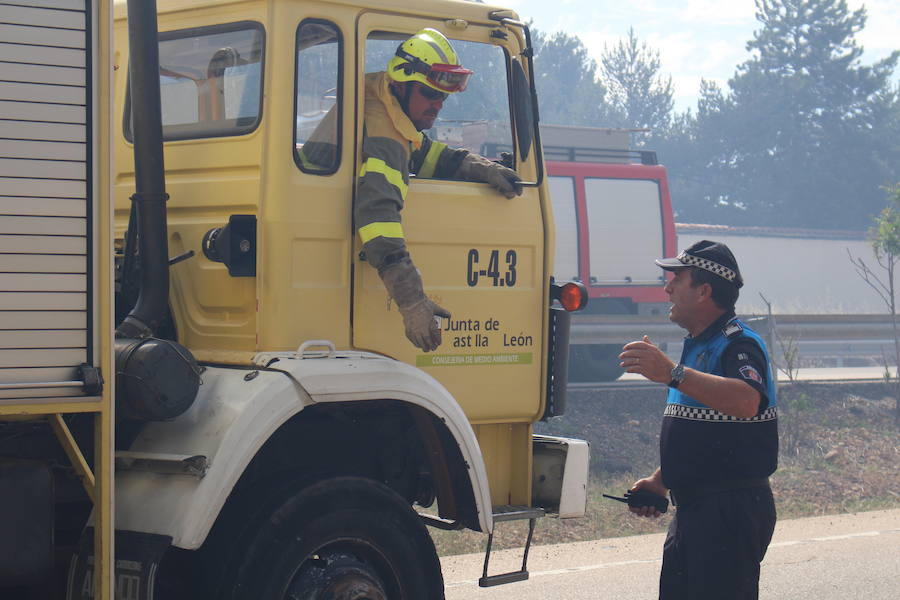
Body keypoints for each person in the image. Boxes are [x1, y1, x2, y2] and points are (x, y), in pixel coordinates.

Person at [305, 28, 523, 352]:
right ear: (402, 84)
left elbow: (425, 154)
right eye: (430, 94)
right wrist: (412, 303)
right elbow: (377, 216)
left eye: (443, 97)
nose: (438, 105)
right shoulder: (385, 133)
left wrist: (482, 168)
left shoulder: (381, 103)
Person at [618, 240, 778, 600]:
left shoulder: (738, 344)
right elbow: (701, 432)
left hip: (729, 510)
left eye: (677, 279)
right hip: (695, 510)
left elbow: (746, 400)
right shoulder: (697, 346)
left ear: (704, 290)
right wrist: (661, 481)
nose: (667, 287)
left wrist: (672, 373)